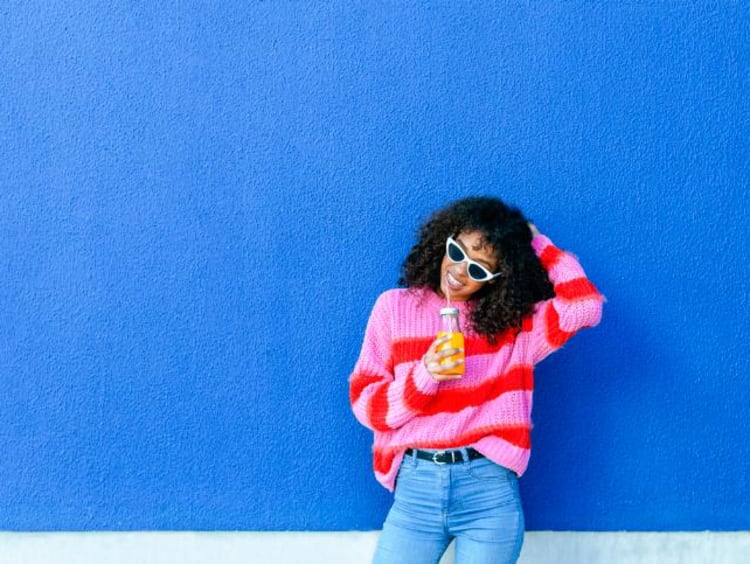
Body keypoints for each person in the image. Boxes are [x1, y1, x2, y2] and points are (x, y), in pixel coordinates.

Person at [349, 196, 604, 564]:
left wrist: (536, 243)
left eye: (480, 268)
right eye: (457, 250)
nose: (460, 269)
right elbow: (366, 405)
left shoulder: (517, 328)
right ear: (443, 239)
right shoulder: (394, 307)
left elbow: (584, 307)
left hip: (488, 491)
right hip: (416, 490)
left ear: (500, 277)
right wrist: (425, 376)